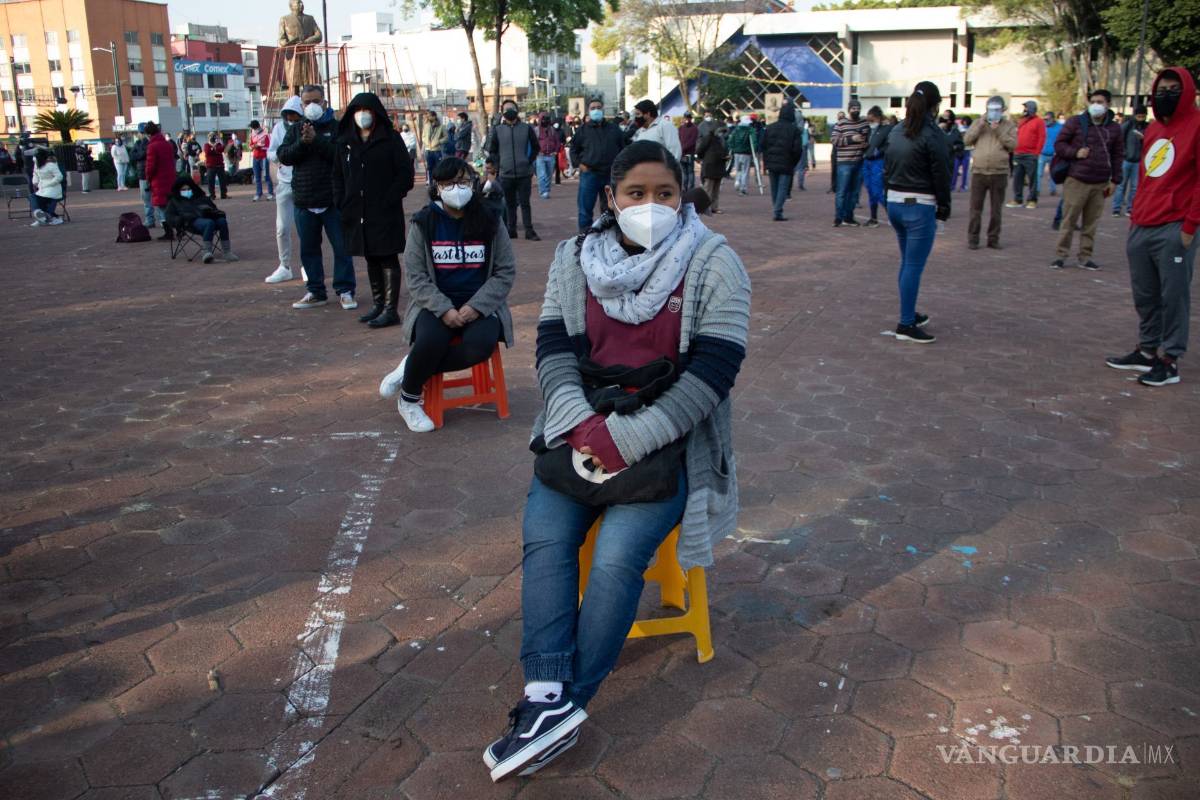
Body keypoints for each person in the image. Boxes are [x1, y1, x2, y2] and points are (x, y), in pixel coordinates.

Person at [480, 140, 750, 783]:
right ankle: (549, 696)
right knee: (546, 540)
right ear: (610, 197)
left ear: (683, 197)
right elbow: (552, 349)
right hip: (578, 436)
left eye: (665, 194)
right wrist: (579, 424)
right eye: (637, 194)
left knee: (616, 560)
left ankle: (568, 699)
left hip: (665, 448)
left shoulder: (715, 263)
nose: (651, 206)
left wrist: (629, 439)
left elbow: (714, 374)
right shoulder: (576, 258)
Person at [377, 157, 516, 432]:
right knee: (430, 340)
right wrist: (444, 309)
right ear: (437, 187)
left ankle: (411, 368)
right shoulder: (423, 223)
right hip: (434, 304)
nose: (457, 188)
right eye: (448, 183)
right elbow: (416, 277)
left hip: (480, 305)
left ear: (474, 183)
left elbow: (505, 271)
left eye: (463, 182)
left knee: (480, 346)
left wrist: (476, 307)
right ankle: (409, 399)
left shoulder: (491, 219)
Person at [1106, 68, 1199, 387]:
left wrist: (1189, 227)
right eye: (1162, 88)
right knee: (1145, 293)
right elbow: (1148, 174)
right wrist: (1136, 216)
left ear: (1187, 91)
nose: (1166, 94)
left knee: (1173, 295)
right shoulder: (1156, 127)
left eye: (1174, 88)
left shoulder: (1197, 125)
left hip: (1175, 226)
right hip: (1143, 222)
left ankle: (1169, 359)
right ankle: (1147, 351)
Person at [334, 92, 416, 329]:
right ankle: (378, 304)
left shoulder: (390, 139)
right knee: (370, 255)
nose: (363, 115)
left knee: (387, 256)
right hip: (356, 210)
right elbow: (337, 176)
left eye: (367, 110)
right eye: (358, 110)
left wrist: (390, 197)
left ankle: (391, 309)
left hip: (384, 209)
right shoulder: (345, 142)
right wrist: (341, 200)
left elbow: (405, 174)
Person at [278, 84, 357, 310]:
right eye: (306, 102)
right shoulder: (295, 130)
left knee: (342, 248)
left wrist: (317, 140)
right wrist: (303, 142)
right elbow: (285, 156)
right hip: (304, 200)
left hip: (332, 200)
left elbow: (342, 157)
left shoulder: (337, 127)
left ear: (324, 102)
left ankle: (345, 290)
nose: (311, 106)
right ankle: (315, 291)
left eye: (316, 101)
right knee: (309, 250)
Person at [884, 81, 951, 344]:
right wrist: (944, 209)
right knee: (913, 265)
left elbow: (886, 166)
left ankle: (908, 313)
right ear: (935, 105)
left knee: (907, 263)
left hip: (895, 202)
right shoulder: (932, 135)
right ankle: (906, 322)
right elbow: (941, 174)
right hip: (919, 205)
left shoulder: (897, 130)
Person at [1050, 89, 1123, 271]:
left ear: (1108, 104)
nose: (1096, 105)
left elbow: (1117, 155)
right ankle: (1060, 255)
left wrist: (1115, 180)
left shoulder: (1114, 128)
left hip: (1100, 182)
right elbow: (1059, 145)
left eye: (1100, 101)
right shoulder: (1076, 122)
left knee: (1091, 223)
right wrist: (1075, 153)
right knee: (1069, 220)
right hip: (1077, 179)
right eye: (1093, 101)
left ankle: (1085, 256)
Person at [964, 96, 1017, 250]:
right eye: (991, 109)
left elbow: (1013, 145)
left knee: (996, 210)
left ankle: (993, 238)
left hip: (999, 172)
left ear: (1002, 110)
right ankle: (973, 239)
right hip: (979, 172)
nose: (993, 112)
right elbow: (967, 140)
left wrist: (998, 130)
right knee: (975, 209)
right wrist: (980, 124)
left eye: (997, 109)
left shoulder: (1008, 125)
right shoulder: (978, 123)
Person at [487, 99, 541, 241]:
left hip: (524, 173)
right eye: (506, 108)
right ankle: (511, 230)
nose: (509, 110)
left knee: (525, 203)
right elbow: (492, 151)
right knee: (509, 204)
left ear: (517, 110)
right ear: (502, 112)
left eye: (512, 108)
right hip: (506, 173)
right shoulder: (498, 130)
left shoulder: (526, 128)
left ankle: (529, 231)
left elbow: (536, 147)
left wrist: (528, 161)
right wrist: (498, 165)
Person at [570, 99, 625, 233]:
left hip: (610, 174)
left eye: (598, 107)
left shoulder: (613, 129)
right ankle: (583, 236)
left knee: (610, 208)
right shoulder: (583, 130)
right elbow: (573, 149)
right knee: (585, 209)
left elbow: (624, 147)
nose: (596, 110)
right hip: (590, 174)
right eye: (593, 108)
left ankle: (609, 234)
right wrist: (579, 164)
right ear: (589, 110)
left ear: (603, 109)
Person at [265, 96, 304, 284]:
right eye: (288, 116)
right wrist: (279, 157)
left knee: (306, 228)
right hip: (284, 182)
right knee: (282, 228)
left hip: (303, 183)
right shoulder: (279, 129)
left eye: (294, 116)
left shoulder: (307, 128)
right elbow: (270, 151)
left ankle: (308, 266)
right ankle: (284, 265)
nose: (291, 119)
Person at [165, 176, 237, 262]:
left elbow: (214, 208)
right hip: (190, 222)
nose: (187, 191)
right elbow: (169, 216)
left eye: (188, 188)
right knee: (209, 223)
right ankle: (207, 253)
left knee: (222, 221)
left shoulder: (200, 197)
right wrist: (179, 220)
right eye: (183, 190)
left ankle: (227, 251)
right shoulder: (174, 201)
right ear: (178, 190)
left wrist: (216, 213)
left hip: (207, 217)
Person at [761, 100, 805, 222]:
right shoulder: (794, 130)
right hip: (786, 161)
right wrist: (793, 162)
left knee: (774, 187)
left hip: (772, 161)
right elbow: (797, 149)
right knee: (783, 188)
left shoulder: (769, 128)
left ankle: (777, 208)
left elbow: (763, 145)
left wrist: (766, 160)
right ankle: (777, 210)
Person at [832, 100, 870, 226]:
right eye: (853, 108)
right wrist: (851, 139)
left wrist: (865, 144)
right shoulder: (841, 124)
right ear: (849, 110)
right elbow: (834, 140)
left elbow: (868, 138)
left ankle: (849, 216)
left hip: (859, 161)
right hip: (844, 162)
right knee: (842, 191)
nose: (856, 110)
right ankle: (838, 217)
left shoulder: (864, 123)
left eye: (858, 108)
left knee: (854, 192)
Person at [1113, 105, 1148, 217]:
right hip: (1126, 159)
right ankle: (1116, 208)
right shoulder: (1128, 125)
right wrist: (1123, 153)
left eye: (1143, 116)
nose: (1140, 118)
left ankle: (1130, 208)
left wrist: (1144, 140)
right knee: (1121, 185)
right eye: (1139, 116)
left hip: (1138, 161)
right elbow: (1119, 139)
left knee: (1134, 187)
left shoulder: (1148, 127)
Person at [1009, 100, 1046, 208]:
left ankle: (1032, 200)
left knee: (1032, 178)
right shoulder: (1021, 120)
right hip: (1018, 153)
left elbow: (1041, 137)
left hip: (1031, 154)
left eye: (1026, 108)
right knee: (1017, 178)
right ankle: (1017, 199)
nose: (1024, 110)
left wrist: (1036, 152)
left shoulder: (1039, 121)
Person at [145, 122, 177, 241]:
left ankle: (168, 232)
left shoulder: (152, 146)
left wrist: (148, 178)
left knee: (161, 207)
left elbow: (150, 166)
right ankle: (180, 230)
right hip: (170, 178)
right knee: (171, 205)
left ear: (148, 134)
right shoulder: (167, 144)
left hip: (158, 180)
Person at [863, 106, 891, 227]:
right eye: (868, 120)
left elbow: (890, 144)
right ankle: (873, 218)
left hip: (878, 162)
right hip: (866, 161)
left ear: (878, 118)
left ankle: (892, 214)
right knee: (870, 190)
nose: (870, 123)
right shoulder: (868, 130)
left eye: (872, 120)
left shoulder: (887, 129)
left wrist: (879, 151)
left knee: (877, 191)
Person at [129, 129, 160, 228]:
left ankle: (162, 220)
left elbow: (143, 155)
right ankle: (150, 220)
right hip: (142, 174)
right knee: (146, 199)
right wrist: (141, 154)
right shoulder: (137, 143)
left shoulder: (151, 143)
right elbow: (132, 156)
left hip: (151, 174)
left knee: (156, 198)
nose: (139, 135)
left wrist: (140, 154)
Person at [696, 122, 728, 214]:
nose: (722, 133)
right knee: (708, 188)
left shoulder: (720, 139)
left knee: (716, 189)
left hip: (719, 165)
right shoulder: (708, 138)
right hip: (710, 165)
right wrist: (703, 158)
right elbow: (700, 150)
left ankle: (714, 207)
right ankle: (705, 207)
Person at [30, 149, 64, 226]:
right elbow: (35, 174)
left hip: (53, 187)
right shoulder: (37, 164)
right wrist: (35, 182)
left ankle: (50, 216)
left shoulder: (51, 165)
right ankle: (39, 213)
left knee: (49, 198)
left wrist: (49, 184)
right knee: (33, 196)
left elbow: (59, 177)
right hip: (42, 188)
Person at [535, 112, 561, 200]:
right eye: (543, 118)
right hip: (540, 155)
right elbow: (533, 142)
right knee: (542, 175)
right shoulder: (536, 130)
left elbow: (557, 142)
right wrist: (536, 151)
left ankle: (547, 190)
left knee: (549, 175)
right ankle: (543, 191)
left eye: (546, 118)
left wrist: (556, 151)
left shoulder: (553, 130)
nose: (544, 120)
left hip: (551, 155)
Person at [728, 116, 755, 195]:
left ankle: (737, 181)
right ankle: (743, 188)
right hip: (746, 154)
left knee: (738, 169)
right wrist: (754, 150)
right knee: (745, 170)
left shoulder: (736, 130)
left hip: (737, 153)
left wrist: (733, 148)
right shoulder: (750, 130)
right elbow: (754, 142)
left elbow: (730, 141)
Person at [1038, 112, 1062, 198]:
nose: (1045, 121)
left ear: (1052, 119)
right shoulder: (1042, 127)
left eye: (1047, 119)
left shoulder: (1060, 127)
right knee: (1039, 173)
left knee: (1053, 173)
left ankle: (1053, 190)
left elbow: (1062, 140)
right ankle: (1037, 190)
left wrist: (1059, 151)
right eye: (1044, 119)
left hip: (1054, 154)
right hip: (1042, 154)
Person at [249, 120, 275, 201]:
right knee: (257, 177)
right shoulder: (252, 134)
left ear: (257, 127)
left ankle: (270, 193)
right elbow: (250, 145)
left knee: (266, 176)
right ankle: (258, 193)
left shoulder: (265, 134)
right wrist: (255, 146)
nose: (253, 129)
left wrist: (259, 145)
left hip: (264, 157)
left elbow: (268, 146)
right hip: (255, 157)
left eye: (253, 127)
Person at [939, 110, 965, 190]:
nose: (944, 118)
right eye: (943, 116)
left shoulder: (955, 131)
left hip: (951, 160)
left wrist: (955, 147)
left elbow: (961, 144)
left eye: (947, 117)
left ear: (950, 120)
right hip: (939, 160)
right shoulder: (937, 129)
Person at [420, 111, 447, 183]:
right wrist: (426, 142)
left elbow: (446, 137)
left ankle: (438, 182)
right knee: (430, 168)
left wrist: (438, 141)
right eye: (428, 116)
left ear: (434, 116)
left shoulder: (441, 126)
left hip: (437, 150)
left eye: (430, 116)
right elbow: (423, 137)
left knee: (438, 167)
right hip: (428, 150)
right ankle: (431, 183)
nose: (428, 118)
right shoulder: (426, 125)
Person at [678, 110, 699, 192]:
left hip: (689, 153)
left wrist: (683, 149)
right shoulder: (681, 128)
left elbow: (692, 141)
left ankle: (691, 187)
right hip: (682, 153)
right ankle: (684, 187)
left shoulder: (694, 128)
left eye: (688, 118)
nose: (687, 120)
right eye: (686, 118)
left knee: (690, 171)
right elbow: (678, 139)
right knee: (684, 171)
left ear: (691, 118)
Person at [203, 132, 228, 200]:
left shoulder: (218, 144)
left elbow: (221, 149)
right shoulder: (206, 145)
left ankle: (223, 194)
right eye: (211, 136)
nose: (213, 138)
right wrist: (214, 149)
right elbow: (207, 152)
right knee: (211, 181)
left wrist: (214, 149)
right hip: (210, 166)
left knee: (222, 180)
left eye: (214, 136)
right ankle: (212, 195)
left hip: (220, 165)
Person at [953, 116, 972, 191]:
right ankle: (953, 185)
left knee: (965, 171)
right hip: (959, 151)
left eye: (966, 121)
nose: (964, 122)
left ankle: (963, 186)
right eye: (964, 121)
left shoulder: (970, 129)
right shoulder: (958, 128)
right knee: (955, 170)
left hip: (966, 151)